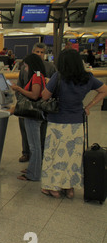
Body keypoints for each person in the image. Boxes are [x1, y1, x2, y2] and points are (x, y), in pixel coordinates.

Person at [40, 49, 107, 198]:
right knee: (72, 156)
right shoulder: (87, 77)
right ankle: (69, 188)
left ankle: (53, 187)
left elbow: (44, 96)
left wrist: (48, 83)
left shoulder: (58, 77)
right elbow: (104, 90)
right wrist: (89, 106)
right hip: (77, 122)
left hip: (57, 122)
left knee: (54, 155)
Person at [17, 42, 57, 163]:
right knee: (25, 130)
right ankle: (26, 153)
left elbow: (54, 85)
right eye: (37, 52)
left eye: (42, 52)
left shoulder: (50, 67)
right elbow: (20, 83)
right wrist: (21, 101)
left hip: (41, 105)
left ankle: (40, 155)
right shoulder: (24, 67)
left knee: (42, 132)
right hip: (25, 104)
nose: (39, 54)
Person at [11, 53, 47, 182]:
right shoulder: (39, 75)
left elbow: (34, 95)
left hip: (32, 115)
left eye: (26, 66)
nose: (25, 69)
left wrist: (19, 89)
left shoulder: (36, 77)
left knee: (34, 146)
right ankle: (33, 168)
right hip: (37, 114)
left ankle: (33, 174)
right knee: (35, 145)